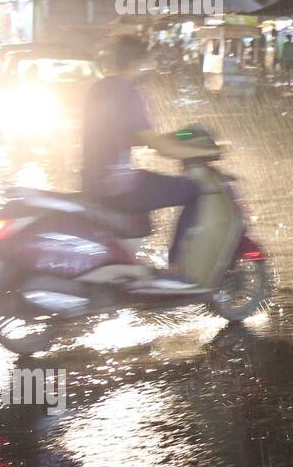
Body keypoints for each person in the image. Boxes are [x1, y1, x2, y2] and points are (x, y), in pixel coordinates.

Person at [81, 36, 209, 286]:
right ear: (137, 63)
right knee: (195, 189)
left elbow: (127, 135)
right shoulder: (128, 94)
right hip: (116, 185)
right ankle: (177, 266)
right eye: (149, 61)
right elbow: (160, 146)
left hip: (94, 179)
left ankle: (135, 268)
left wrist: (178, 136)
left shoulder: (100, 88)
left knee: (151, 184)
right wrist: (201, 153)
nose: (152, 67)